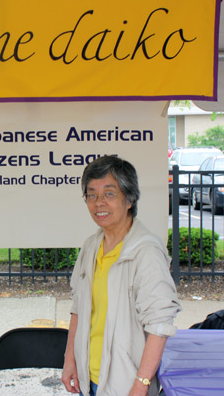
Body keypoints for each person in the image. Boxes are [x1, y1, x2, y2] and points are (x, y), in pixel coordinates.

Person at [61, 156, 181, 396]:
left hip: (126, 385)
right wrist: (69, 359)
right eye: (91, 195)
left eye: (109, 194)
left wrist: (141, 384)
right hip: (89, 379)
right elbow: (78, 308)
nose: (98, 203)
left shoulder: (146, 252)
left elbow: (160, 325)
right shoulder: (91, 246)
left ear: (129, 198)